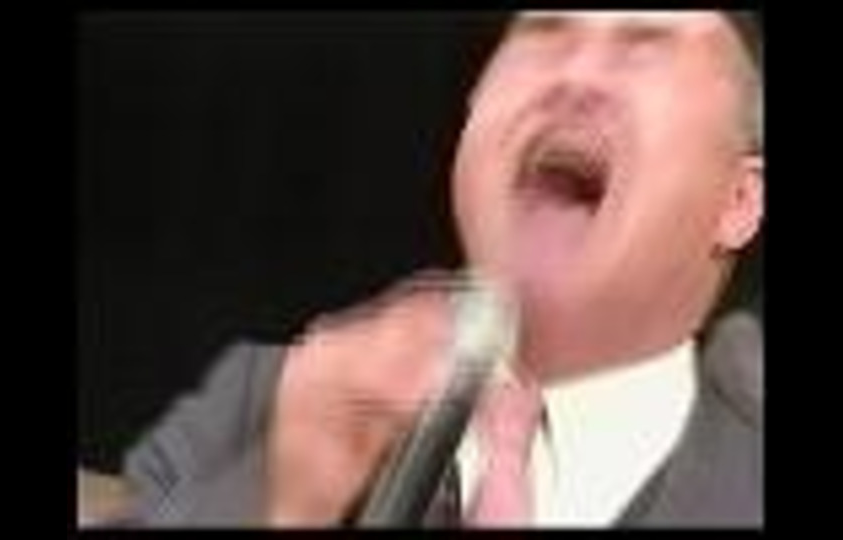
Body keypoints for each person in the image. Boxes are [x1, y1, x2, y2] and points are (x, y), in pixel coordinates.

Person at [78, 10, 763, 528]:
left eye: (645, 45)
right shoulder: (261, 406)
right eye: (544, 33)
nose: (575, 74)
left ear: (738, 201)